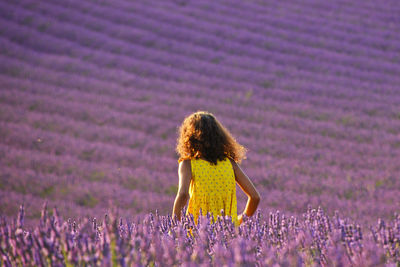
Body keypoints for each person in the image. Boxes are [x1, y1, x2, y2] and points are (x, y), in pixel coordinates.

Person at [172, 111, 261, 226]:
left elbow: (183, 194)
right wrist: (239, 220)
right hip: (227, 234)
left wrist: (174, 228)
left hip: (198, 232)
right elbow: (255, 196)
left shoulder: (188, 164)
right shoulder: (229, 163)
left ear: (190, 138)